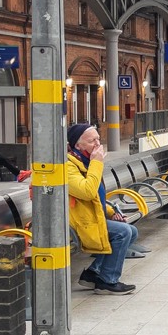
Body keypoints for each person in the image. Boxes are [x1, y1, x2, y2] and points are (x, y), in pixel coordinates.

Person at [67, 122, 137, 295]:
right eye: (92, 141)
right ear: (78, 145)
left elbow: (95, 200)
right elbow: (88, 192)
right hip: (76, 222)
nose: (98, 144)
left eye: (98, 139)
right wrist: (96, 163)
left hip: (87, 216)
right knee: (123, 233)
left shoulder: (84, 161)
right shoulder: (68, 167)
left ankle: (93, 273)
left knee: (132, 231)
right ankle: (107, 281)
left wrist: (112, 212)